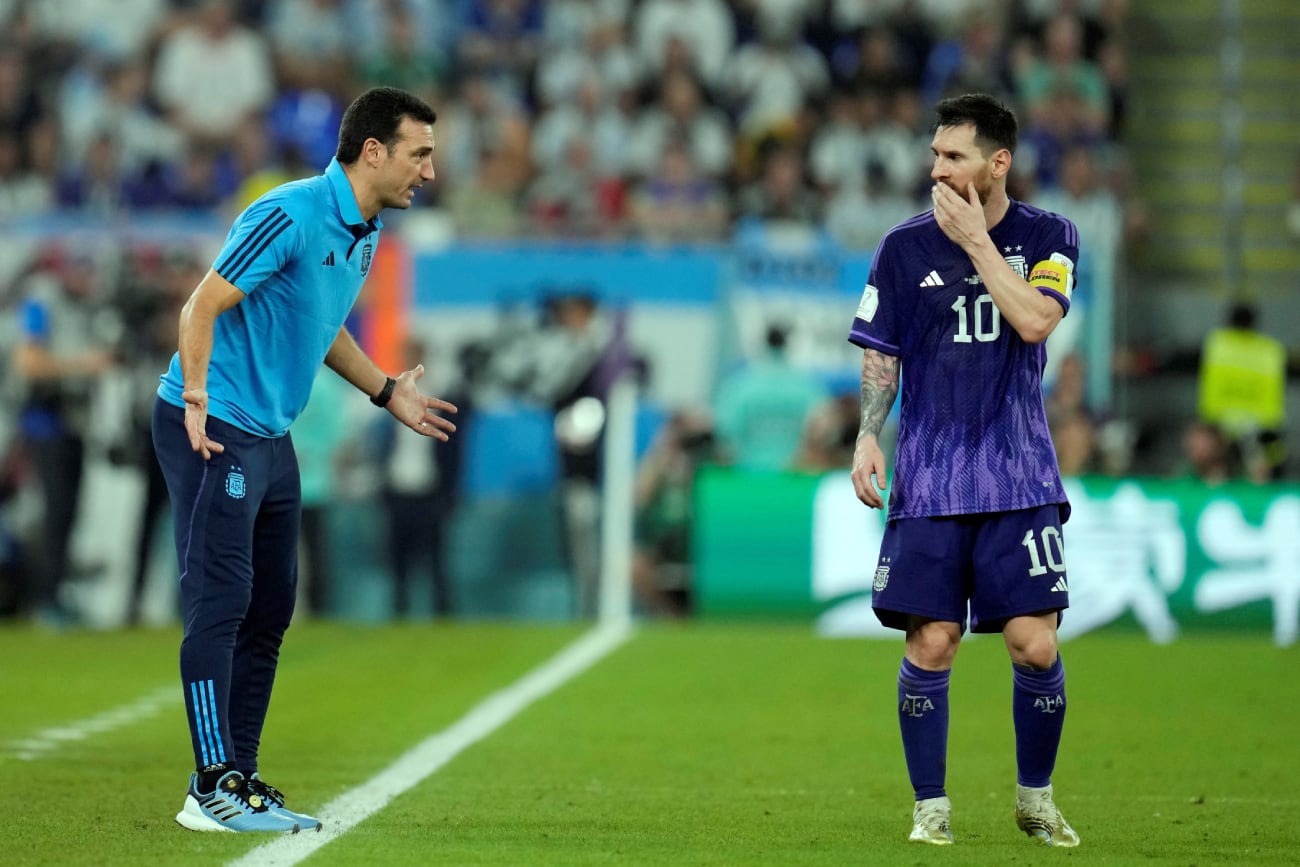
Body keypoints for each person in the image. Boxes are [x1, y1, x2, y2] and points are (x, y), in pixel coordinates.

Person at [152, 86, 457, 834]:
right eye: (420, 153)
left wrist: (387, 390)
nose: (429, 170)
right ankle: (208, 787)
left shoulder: (364, 231)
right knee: (221, 600)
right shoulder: (288, 212)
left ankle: (241, 777)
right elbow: (201, 306)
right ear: (374, 151)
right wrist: (195, 391)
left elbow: (320, 328)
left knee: (271, 609)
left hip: (269, 434)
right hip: (213, 422)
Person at [847, 93, 1080, 848]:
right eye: (935, 154)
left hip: (1019, 476)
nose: (937, 169)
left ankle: (1035, 798)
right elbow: (881, 350)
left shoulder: (1050, 235)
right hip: (932, 478)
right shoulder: (902, 247)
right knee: (932, 642)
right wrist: (868, 433)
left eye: (954, 156)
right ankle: (931, 808)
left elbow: (1037, 321)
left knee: (1034, 644)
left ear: (997, 163)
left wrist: (980, 244)